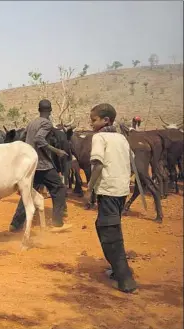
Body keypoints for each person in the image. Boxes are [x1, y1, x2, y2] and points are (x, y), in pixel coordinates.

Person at [84, 103, 137, 293]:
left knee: (109, 232)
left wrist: (89, 189)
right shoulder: (121, 138)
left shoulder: (99, 137)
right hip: (121, 190)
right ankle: (117, 270)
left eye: (94, 120)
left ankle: (125, 280)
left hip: (108, 190)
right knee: (107, 227)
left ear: (106, 120)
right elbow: (131, 160)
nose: (91, 124)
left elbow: (97, 165)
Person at [9, 99, 72, 233]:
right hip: (43, 164)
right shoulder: (46, 123)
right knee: (59, 188)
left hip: (29, 164)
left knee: (29, 192)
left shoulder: (32, 123)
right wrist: (57, 151)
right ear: (50, 110)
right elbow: (39, 139)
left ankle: (15, 224)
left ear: (39, 109)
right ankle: (57, 223)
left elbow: (23, 137)